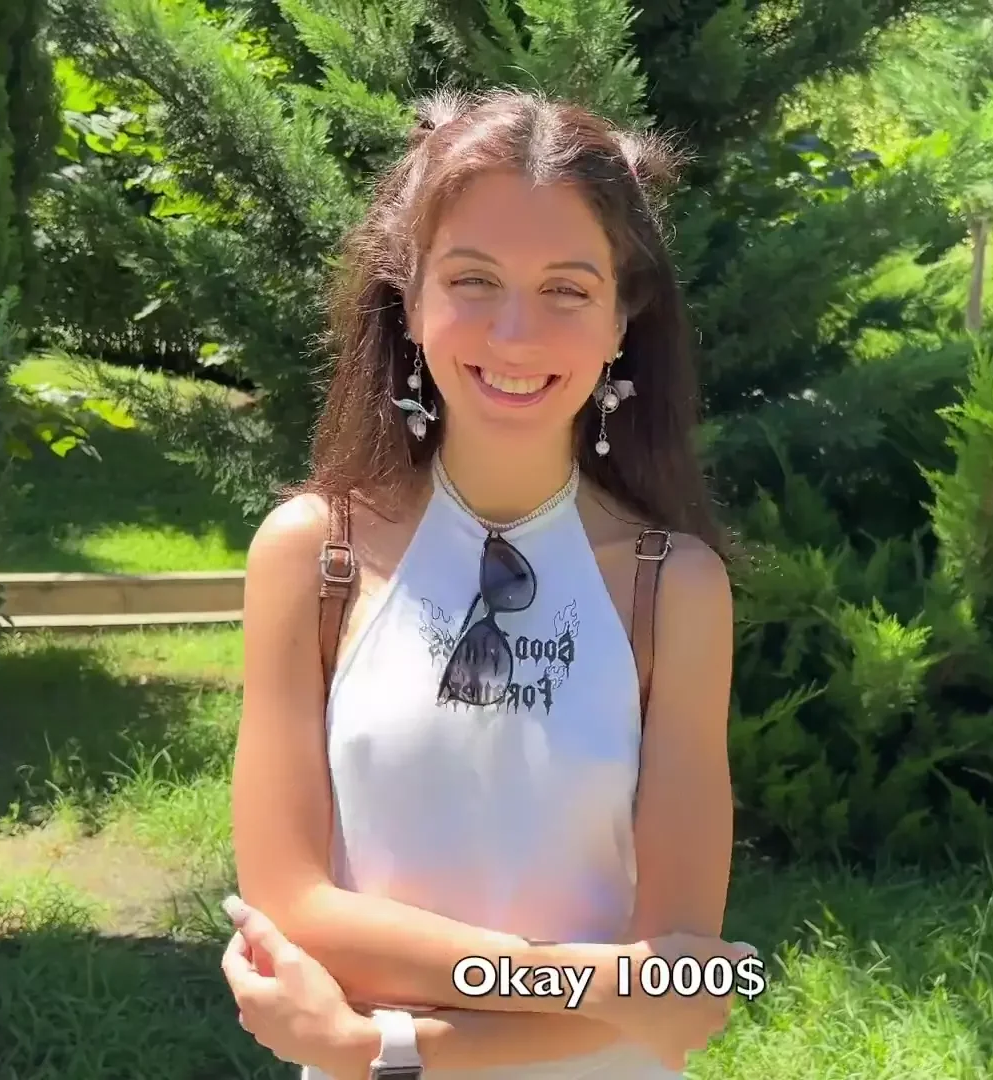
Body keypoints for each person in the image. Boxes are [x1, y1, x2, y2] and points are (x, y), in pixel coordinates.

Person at [222, 86, 755, 1080]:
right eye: (474, 279)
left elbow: (681, 998)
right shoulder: (313, 557)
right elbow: (291, 911)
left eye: (566, 290)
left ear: (621, 321)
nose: (515, 335)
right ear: (410, 297)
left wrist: (382, 1046)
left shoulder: (675, 590)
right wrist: (587, 980)